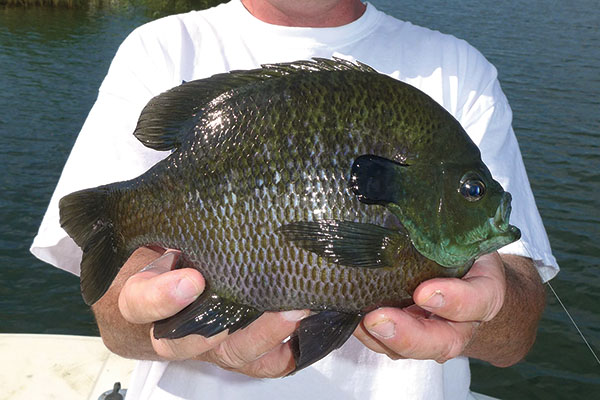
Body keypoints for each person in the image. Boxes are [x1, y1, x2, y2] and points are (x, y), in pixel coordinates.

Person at [31, 0, 559, 398]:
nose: (480, 200)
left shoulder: (460, 70)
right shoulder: (160, 48)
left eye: (471, 191)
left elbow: (517, 335)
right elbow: (114, 322)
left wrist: (490, 310)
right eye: (471, 190)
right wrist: (153, 316)